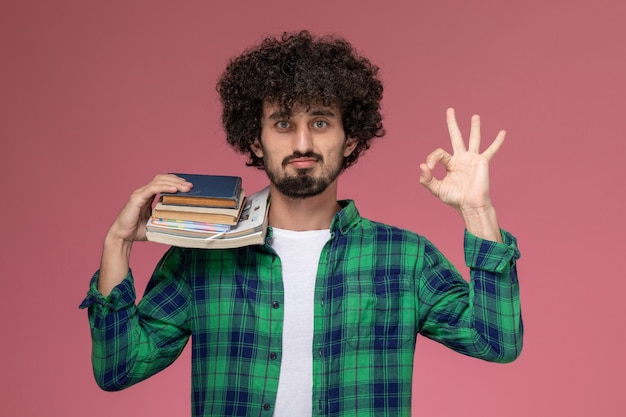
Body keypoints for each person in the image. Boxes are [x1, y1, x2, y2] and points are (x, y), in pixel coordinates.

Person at [80, 30, 522, 417]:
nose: (303, 142)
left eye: (321, 122)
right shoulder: (202, 258)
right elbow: (119, 368)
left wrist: (477, 212)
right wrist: (118, 243)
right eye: (284, 124)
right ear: (256, 138)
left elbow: (496, 341)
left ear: (350, 139)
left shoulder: (404, 258)